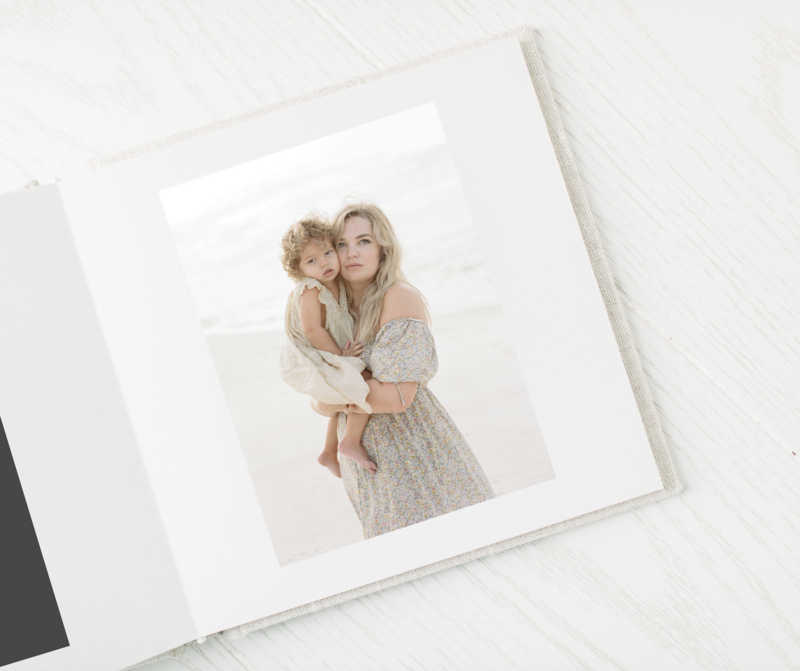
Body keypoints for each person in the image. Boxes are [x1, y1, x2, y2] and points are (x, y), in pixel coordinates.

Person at [312, 202, 495, 538]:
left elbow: (396, 399)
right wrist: (345, 394)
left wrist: (337, 394)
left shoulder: (399, 297)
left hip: (412, 450)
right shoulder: (331, 313)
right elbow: (318, 402)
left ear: (384, 248)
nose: (352, 252)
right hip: (366, 466)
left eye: (364, 241)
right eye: (341, 244)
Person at [278, 215, 377, 478]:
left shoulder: (338, 285)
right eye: (312, 261)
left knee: (343, 391)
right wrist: (341, 356)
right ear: (299, 270)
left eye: (327, 253)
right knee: (360, 381)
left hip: (326, 351)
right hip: (315, 354)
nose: (324, 263)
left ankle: (329, 452)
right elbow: (312, 329)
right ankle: (350, 441)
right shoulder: (310, 288)